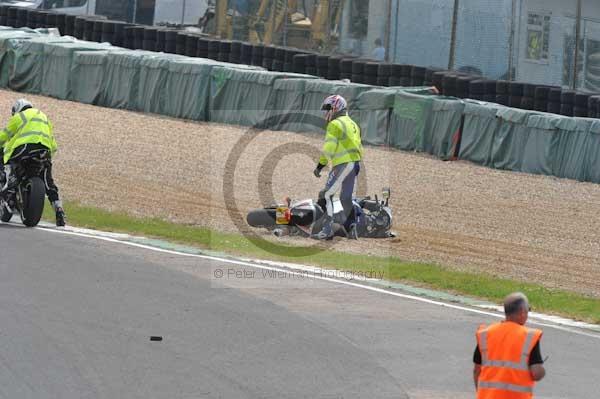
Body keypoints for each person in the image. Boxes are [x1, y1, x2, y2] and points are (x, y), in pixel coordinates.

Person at [0, 99, 66, 226]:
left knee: (9, 162)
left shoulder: (20, 117)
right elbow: (54, 145)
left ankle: (10, 192)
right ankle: (59, 209)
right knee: (48, 182)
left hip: (25, 149)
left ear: (17, 109)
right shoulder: (45, 118)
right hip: (44, 151)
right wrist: (47, 160)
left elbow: (4, 135)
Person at [473, 292, 546, 398]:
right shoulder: (529, 336)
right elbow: (536, 374)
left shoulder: (485, 333)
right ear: (522, 312)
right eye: (527, 311)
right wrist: (542, 370)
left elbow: (476, 370)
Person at [313, 95, 363, 240]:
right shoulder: (353, 124)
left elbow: (328, 148)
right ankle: (352, 228)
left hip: (342, 165)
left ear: (336, 107)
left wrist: (320, 166)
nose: (327, 112)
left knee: (327, 195)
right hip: (355, 164)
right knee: (345, 198)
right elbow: (359, 146)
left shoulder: (335, 124)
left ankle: (327, 230)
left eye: (328, 108)